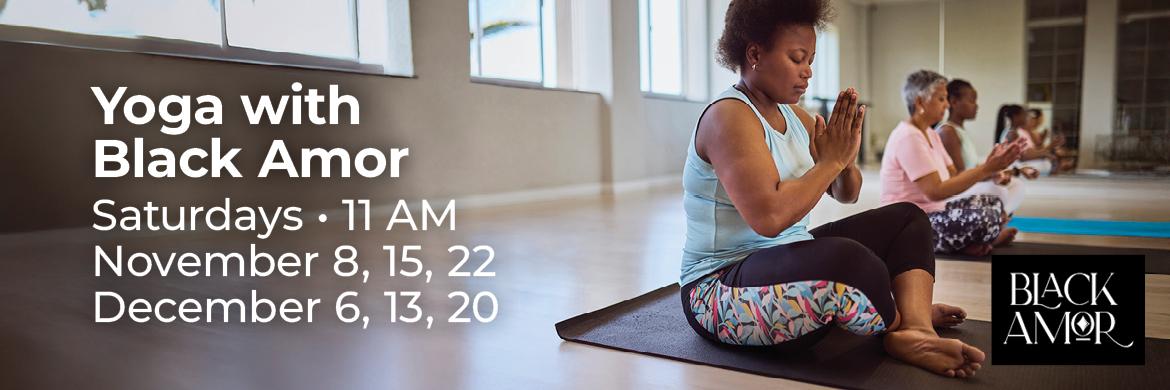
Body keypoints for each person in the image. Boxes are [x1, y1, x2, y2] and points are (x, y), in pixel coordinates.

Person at [680, 0, 983, 378]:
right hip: (719, 292)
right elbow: (769, 218)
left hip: (785, 260)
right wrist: (828, 163)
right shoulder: (729, 115)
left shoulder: (796, 117)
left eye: (811, 59)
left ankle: (914, 328)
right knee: (850, 261)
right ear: (755, 53)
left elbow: (847, 193)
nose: (807, 71)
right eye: (796, 58)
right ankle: (896, 314)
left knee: (908, 218)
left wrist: (845, 157)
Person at [880, 70, 1022, 257]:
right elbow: (935, 192)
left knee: (992, 202)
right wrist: (985, 169)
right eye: (941, 99)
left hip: (933, 212)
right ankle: (977, 238)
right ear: (920, 102)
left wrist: (990, 170)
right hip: (907, 225)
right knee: (987, 218)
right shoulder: (908, 137)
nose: (946, 105)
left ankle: (970, 241)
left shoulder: (930, 133)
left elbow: (954, 176)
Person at [937, 79, 1037, 214]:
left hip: (969, 184)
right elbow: (959, 176)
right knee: (997, 190)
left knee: (1016, 185)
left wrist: (1004, 171)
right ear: (954, 102)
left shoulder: (959, 131)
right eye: (972, 101)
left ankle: (998, 219)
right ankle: (998, 220)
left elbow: (972, 169)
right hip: (956, 192)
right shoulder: (947, 132)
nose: (976, 106)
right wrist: (994, 172)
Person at [996, 105, 1058, 175]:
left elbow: (1029, 151)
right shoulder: (1011, 134)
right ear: (1016, 117)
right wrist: (1045, 152)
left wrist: (1045, 152)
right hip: (1018, 171)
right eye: (1024, 115)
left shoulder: (1016, 132)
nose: (1026, 118)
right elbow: (1022, 157)